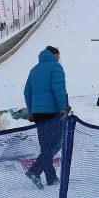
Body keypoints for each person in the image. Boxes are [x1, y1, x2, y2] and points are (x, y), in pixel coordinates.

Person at [23, 46, 68, 189]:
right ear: (54, 55)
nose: (59, 58)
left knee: (45, 146)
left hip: (38, 114)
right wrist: (63, 108)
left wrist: (31, 111)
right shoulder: (56, 68)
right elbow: (59, 89)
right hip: (53, 113)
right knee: (55, 145)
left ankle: (51, 177)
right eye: (58, 55)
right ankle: (34, 171)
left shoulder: (34, 70)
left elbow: (27, 92)